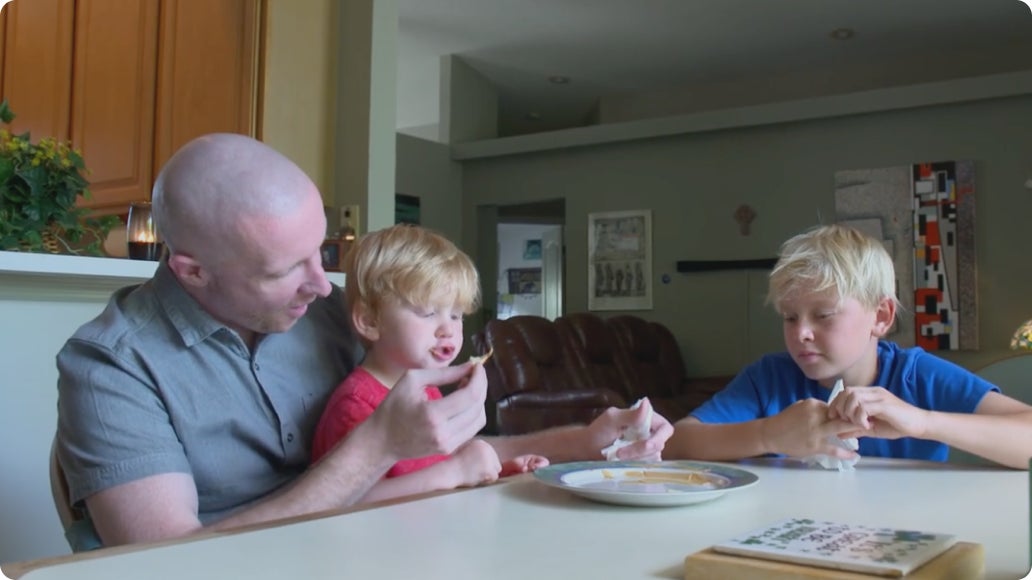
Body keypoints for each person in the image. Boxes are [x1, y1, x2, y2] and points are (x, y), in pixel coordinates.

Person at [55, 133, 673, 551]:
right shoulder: (110, 367)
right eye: (284, 270)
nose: (322, 284)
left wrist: (587, 441)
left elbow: (436, 456)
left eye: (321, 252)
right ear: (192, 270)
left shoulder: (329, 312)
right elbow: (162, 563)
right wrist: (374, 445)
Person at [666, 224, 1032, 469]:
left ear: (881, 316)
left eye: (823, 315)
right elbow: (677, 442)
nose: (801, 333)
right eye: (790, 317)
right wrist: (769, 433)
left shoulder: (916, 377)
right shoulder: (769, 377)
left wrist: (922, 422)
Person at [310, 224, 548, 503]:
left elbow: (431, 473)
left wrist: (497, 469)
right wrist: (455, 472)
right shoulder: (356, 405)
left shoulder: (427, 393)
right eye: (428, 312)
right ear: (370, 321)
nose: (448, 330)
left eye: (457, 315)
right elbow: (350, 501)